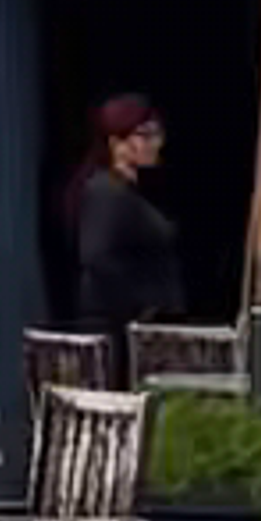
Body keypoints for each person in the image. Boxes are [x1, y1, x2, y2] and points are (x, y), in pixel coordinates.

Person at [66, 95, 189, 361]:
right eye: (144, 135)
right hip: (119, 338)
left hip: (139, 335)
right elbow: (97, 258)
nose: (154, 143)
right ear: (116, 143)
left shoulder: (129, 193)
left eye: (157, 134)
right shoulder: (105, 193)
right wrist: (144, 304)